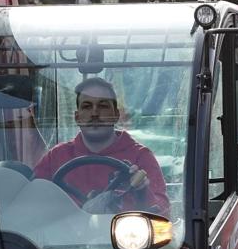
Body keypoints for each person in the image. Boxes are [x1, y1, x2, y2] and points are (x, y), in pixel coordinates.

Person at [33, 77, 169, 216]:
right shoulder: (56, 157)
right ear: (77, 117)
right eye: (87, 106)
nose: (94, 113)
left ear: (116, 115)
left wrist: (142, 190)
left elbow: (162, 212)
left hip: (122, 236)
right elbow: (30, 201)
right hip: (65, 237)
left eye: (103, 106)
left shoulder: (140, 157)